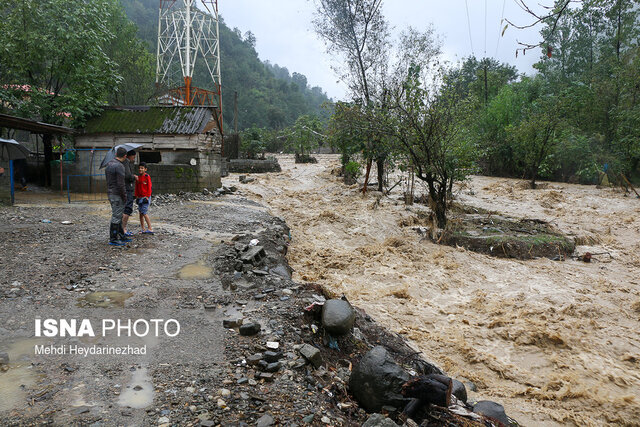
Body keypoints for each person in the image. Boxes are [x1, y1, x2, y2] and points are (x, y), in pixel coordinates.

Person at [105, 147, 132, 246]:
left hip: (110, 193)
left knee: (118, 215)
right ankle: (113, 238)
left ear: (116, 154)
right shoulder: (119, 166)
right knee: (116, 216)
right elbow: (121, 184)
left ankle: (121, 235)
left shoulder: (109, 164)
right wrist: (124, 196)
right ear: (125, 156)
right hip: (117, 194)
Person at [121, 150, 138, 235]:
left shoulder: (123, 163)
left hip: (124, 188)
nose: (134, 159)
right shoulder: (126, 163)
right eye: (134, 157)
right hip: (127, 189)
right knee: (127, 209)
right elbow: (128, 176)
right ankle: (123, 229)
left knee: (124, 208)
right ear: (129, 156)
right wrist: (133, 176)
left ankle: (122, 229)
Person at [135, 162, 154, 234]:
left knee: (144, 212)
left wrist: (147, 196)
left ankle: (150, 228)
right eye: (139, 168)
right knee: (140, 213)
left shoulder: (147, 176)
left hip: (145, 197)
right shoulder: (138, 177)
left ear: (145, 169)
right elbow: (136, 187)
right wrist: (136, 196)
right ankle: (143, 228)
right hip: (139, 197)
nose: (140, 169)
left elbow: (149, 187)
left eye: (142, 168)